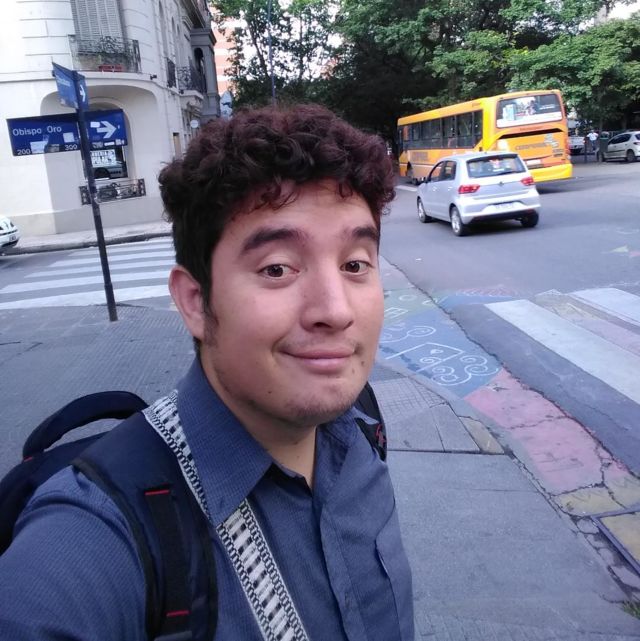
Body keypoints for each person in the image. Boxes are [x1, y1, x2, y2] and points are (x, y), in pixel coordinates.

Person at [0, 104, 414, 640]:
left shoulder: (362, 428)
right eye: (277, 269)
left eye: (355, 264)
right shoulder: (97, 533)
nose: (335, 311)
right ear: (195, 301)